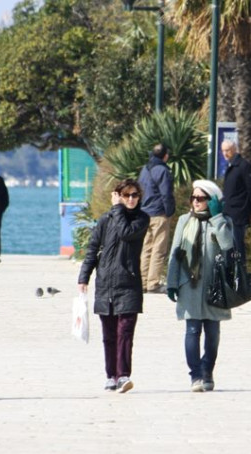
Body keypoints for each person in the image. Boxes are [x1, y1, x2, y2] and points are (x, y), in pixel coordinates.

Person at [77, 179, 149, 394]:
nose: (130, 199)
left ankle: (123, 375)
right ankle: (111, 375)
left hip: (129, 284)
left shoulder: (142, 219)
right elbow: (92, 249)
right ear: (117, 195)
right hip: (106, 284)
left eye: (134, 195)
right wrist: (84, 277)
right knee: (109, 335)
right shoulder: (105, 220)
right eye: (126, 195)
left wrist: (117, 208)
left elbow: (126, 233)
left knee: (125, 332)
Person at [166, 180, 233, 392]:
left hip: (215, 286)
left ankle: (207, 371)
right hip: (190, 286)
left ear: (211, 201)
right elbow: (175, 253)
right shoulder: (184, 221)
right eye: (193, 198)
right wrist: (172, 282)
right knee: (192, 330)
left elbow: (227, 245)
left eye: (201, 198)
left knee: (213, 334)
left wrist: (217, 217)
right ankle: (195, 375)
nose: (195, 202)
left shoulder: (222, 221)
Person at [138, 143, 175, 293]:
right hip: (159, 213)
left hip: (145, 213)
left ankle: (142, 282)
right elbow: (166, 194)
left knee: (146, 248)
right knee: (159, 249)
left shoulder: (144, 169)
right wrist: (170, 211)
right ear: (165, 156)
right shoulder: (162, 171)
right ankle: (153, 283)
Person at [221, 140, 251, 266]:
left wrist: (246, 211)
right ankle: (230, 274)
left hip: (238, 213)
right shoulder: (230, 166)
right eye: (223, 150)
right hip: (228, 212)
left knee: (237, 245)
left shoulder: (243, 166)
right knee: (229, 247)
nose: (225, 153)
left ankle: (240, 275)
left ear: (234, 149)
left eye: (227, 150)